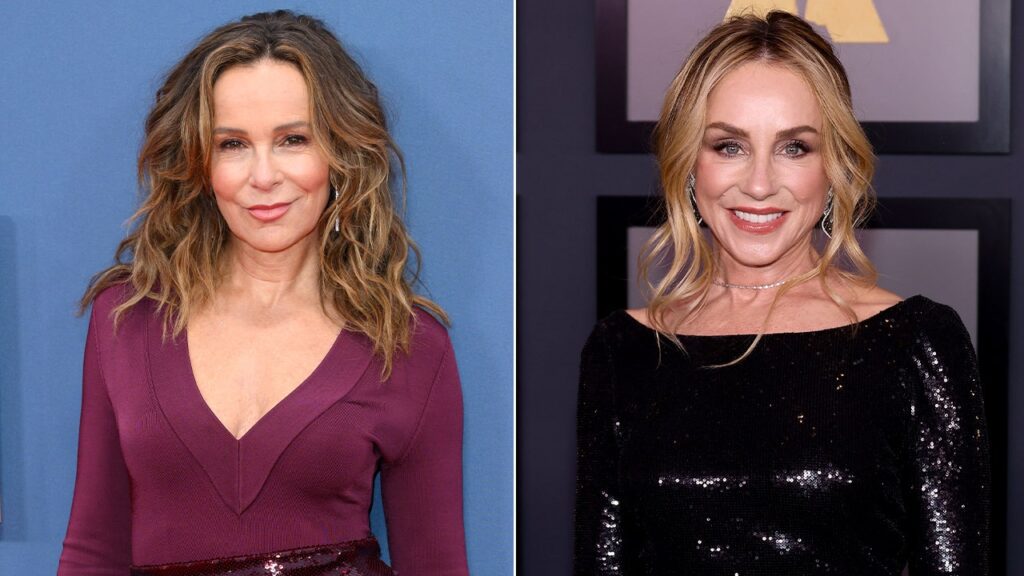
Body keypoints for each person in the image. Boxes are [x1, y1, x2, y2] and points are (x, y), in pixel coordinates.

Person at [574, 11, 989, 575]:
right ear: (689, 164)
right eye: (729, 146)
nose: (760, 184)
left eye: (794, 148)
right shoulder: (622, 351)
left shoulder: (913, 343)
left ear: (834, 166)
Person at [58, 10, 468, 576]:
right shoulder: (127, 319)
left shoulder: (407, 343)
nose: (264, 176)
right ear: (199, 163)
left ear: (341, 153)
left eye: (293, 140)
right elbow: (93, 551)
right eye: (232, 144)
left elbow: (437, 564)